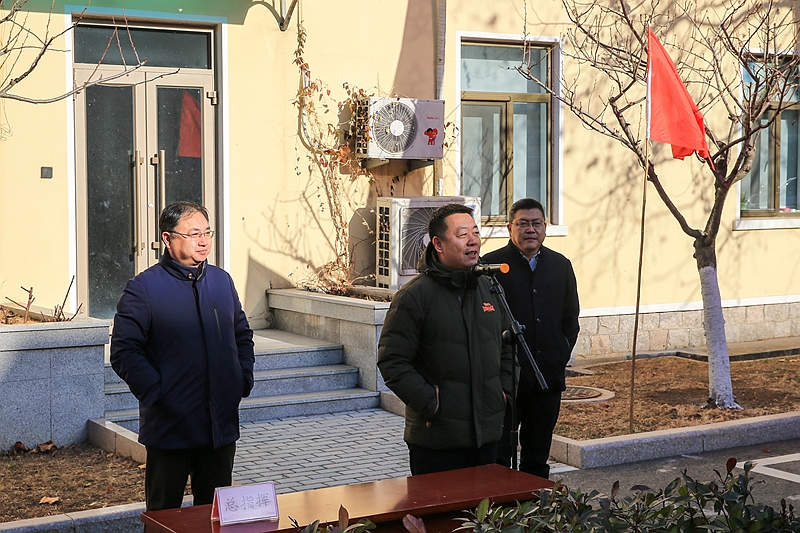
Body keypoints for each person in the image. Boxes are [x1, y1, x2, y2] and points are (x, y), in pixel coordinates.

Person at [110, 201, 255, 512]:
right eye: (193, 234)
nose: (203, 241)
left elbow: (242, 334)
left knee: (216, 516)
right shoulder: (144, 288)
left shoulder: (221, 281)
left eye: (207, 233)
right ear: (167, 238)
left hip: (219, 427)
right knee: (164, 516)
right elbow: (124, 351)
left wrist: (241, 379)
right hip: (170, 428)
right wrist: (158, 394)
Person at [377, 203, 514, 476]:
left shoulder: (489, 287)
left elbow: (508, 347)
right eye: (463, 234)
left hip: (487, 436)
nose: (473, 241)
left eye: (476, 233)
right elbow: (393, 361)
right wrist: (433, 404)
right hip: (437, 440)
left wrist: (503, 395)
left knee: (488, 504)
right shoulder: (415, 296)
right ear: (438, 244)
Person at [483, 198, 580, 479]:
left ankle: (534, 505)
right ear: (509, 228)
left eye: (536, 223)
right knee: (499, 459)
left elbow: (570, 320)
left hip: (546, 380)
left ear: (545, 227)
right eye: (523, 223)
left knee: (537, 459)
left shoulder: (560, 265)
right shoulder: (490, 266)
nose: (530, 229)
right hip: (504, 383)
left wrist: (559, 354)